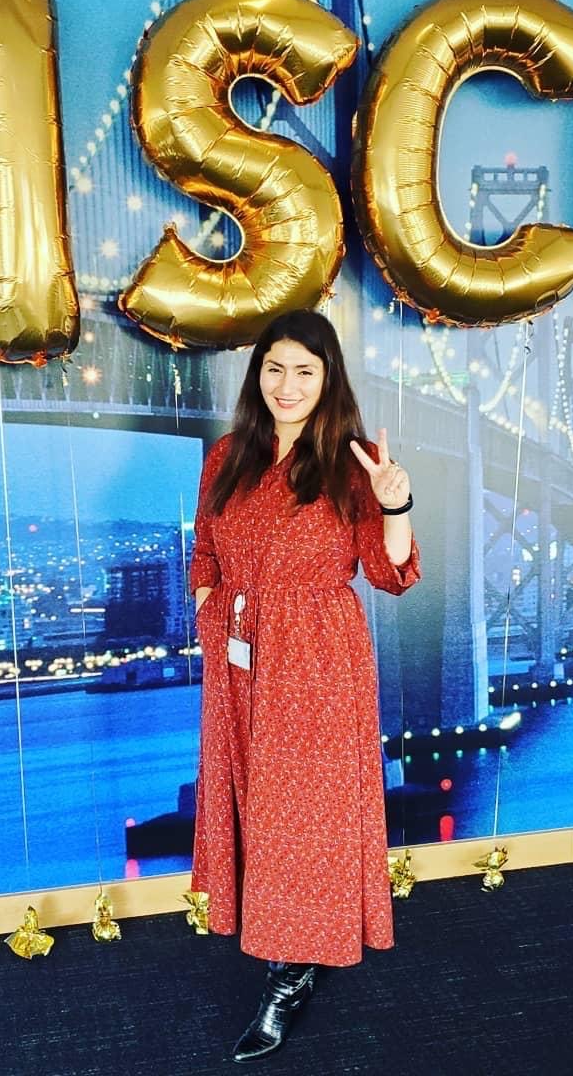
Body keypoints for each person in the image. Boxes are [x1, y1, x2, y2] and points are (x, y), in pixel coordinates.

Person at [188, 308, 421, 1063]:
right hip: (239, 659)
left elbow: (390, 576)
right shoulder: (226, 455)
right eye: (275, 369)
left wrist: (395, 505)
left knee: (304, 812)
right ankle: (286, 942)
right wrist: (209, 607)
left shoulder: (349, 466)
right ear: (258, 375)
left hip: (320, 660)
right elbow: (205, 553)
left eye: (306, 371)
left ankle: (289, 975)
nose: (288, 385)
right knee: (258, 804)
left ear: (329, 382)